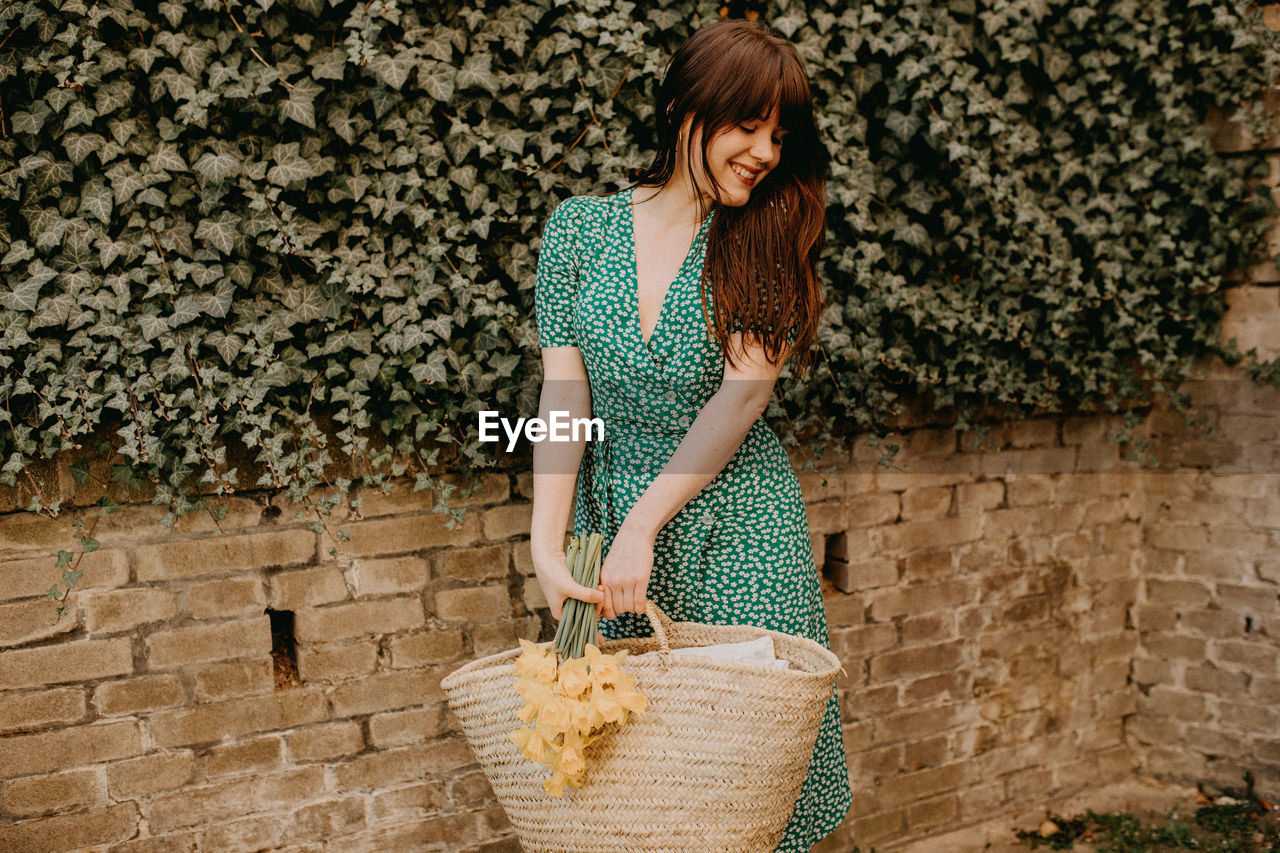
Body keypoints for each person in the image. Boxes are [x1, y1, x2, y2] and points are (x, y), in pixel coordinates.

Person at [528, 18, 852, 852]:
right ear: (683, 110)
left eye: (780, 134)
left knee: (744, 783)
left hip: (733, 526)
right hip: (610, 528)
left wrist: (643, 524)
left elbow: (742, 399)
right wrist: (548, 546)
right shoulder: (580, 230)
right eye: (747, 126)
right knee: (628, 782)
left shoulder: (767, 229)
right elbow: (565, 392)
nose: (765, 152)